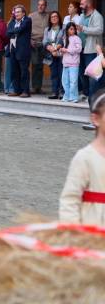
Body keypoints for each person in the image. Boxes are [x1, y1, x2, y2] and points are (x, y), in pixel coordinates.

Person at [59, 88, 105, 226]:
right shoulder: (85, 158)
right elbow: (70, 200)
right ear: (96, 119)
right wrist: (74, 233)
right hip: (93, 230)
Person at [78, 0, 104, 102]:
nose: (80, 6)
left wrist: (83, 29)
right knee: (82, 72)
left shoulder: (97, 16)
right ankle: (86, 93)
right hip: (81, 49)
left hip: (92, 49)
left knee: (92, 74)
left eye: (82, 4)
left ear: (88, 4)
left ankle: (93, 96)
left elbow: (99, 30)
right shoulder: (83, 16)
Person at [6, 4, 32, 98]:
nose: (16, 14)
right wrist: (14, 30)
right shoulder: (12, 22)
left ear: (23, 13)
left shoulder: (27, 20)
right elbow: (7, 33)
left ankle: (25, 91)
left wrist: (13, 30)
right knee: (14, 71)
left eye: (18, 12)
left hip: (23, 50)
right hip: (13, 49)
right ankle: (17, 90)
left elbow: (20, 29)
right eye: (15, 12)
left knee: (24, 71)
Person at [29, 0, 49, 94]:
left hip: (44, 43)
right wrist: (30, 40)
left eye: (43, 5)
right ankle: (34, 87)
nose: (40, 7)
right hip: (33, 43)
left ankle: (39, 87)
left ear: (45, 6)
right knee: (35, 64)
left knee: (41, 65)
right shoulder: (31, 16)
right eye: (39, 5)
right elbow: (26, 29)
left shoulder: (49, 16)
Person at [44, 11, 65, 100]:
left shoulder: (63, 28)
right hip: (51, 54)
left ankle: (62, 93)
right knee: (54, 74)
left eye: (56, 16)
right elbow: (44, 41)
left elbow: (64, 39)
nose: (54, 18)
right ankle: (54, 92)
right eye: (52, 17)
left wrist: (56, 48)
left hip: (61, 54)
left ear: (59, 18)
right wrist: (51, 49)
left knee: (61, 73)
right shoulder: (47, 29)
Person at [61, 23, 82, 103]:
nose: (71, 30)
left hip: (74, 63)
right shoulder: (65, 38)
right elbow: (64, 50)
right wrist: (61, 50)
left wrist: (67, 50)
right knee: (65, 81)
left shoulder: (77, 38)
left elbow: (79, 49)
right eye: (70, 29)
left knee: (73, 81)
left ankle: (74, 97)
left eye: (73, 29)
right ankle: (67, 96)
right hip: (65, 63)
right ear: (67, 30)